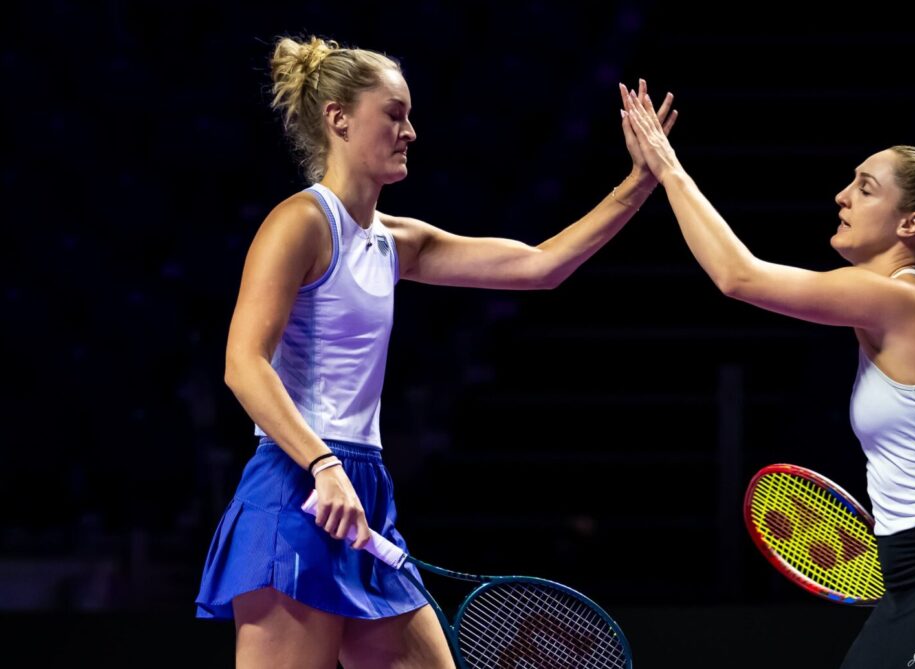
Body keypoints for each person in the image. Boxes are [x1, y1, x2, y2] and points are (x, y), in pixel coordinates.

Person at [194, 37, 676, 668]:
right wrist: (321, 465)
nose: (410, 132)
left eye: (410, 116)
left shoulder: (397, 241)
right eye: (393, 115)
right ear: (338, 118)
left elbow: (540, 266)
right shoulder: (300, 223)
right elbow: (243, 364)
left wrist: (640, 183)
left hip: (363, 486)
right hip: (297, 486)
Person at [620, 80, 915, 668]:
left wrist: (667, 167)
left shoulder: (905, 302)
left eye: (865, 188)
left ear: (909, 225)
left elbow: (740, 278)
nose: (841, 197)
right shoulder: (912, 310)